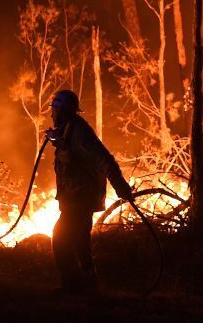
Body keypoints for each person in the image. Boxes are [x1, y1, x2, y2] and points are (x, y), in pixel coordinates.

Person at [46, 89, 133, 293]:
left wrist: (120, 186)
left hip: (81, 198)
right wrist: (57, 141)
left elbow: (104, 159)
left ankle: (72, 286)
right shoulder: (69, 130)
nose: (52, 114)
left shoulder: (80, 134)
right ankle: (90, 286)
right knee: (80, 243)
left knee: (59, 239)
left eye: (55, 110)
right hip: (75, 197)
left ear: (64, 112)